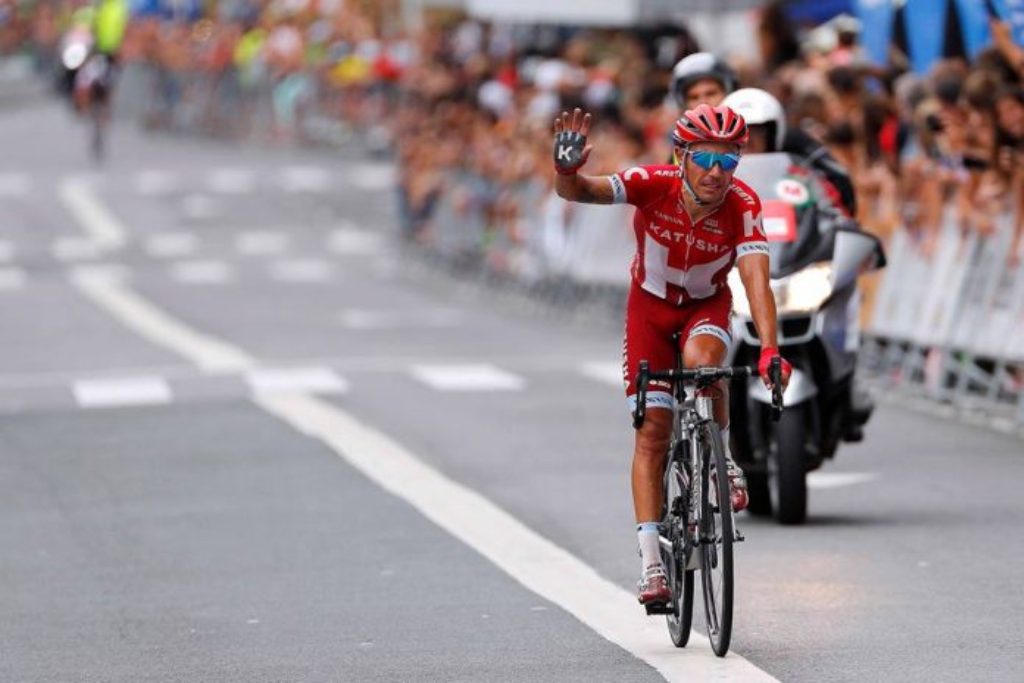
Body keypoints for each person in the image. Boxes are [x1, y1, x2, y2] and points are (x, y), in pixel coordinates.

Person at [552, 106, 792, 607]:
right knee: (653, 431)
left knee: (707, 363)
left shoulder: (743, 205)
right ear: (681, 156)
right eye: (705, 158)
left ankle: (723, 461)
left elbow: (756, 283)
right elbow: (579, 192)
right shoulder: (651, 183)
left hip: (705, 304)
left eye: (729, 161)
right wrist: (566, 170)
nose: (716, 172)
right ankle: (652, 562)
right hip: (651, 310)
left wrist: (771, 348)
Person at [670, 54, 857, 215]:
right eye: (693, 97)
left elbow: (835, 182)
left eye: (711, 93)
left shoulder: (791, 140)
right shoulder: (682, 151)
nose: (704, 103)